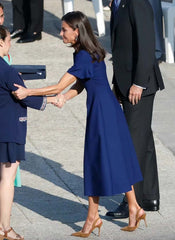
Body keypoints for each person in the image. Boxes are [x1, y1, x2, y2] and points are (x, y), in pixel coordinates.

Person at [13, 11, 147, 237]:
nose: (60, 32)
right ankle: (134, 207)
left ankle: (93, 218)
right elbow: (84, 83)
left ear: (77, 31)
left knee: (96, 162)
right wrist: (66, 97)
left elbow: (57, 87)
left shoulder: (84, 56)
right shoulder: (87, 52)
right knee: (116, 158)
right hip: (106, 111)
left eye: (64, 29)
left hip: (102, 115)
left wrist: (28, 92)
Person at [105, 0, 165, 220]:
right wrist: (116, 82)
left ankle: (133, 201)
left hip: (139, 84)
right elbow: (120, 48)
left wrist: (138, 82)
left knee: (132, 144)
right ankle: (149, 196)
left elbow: (147, 45)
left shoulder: (137, 3)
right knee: (143, 140)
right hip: (126, 81)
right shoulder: (119, 3)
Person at [0, 25, 57, 240]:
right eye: (8, 40)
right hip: (9, 130)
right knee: (7, 180)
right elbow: (23, 95)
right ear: (1, 43)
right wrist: (52, 99)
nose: (10, 44)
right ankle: (4, 228)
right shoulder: (7, 70)